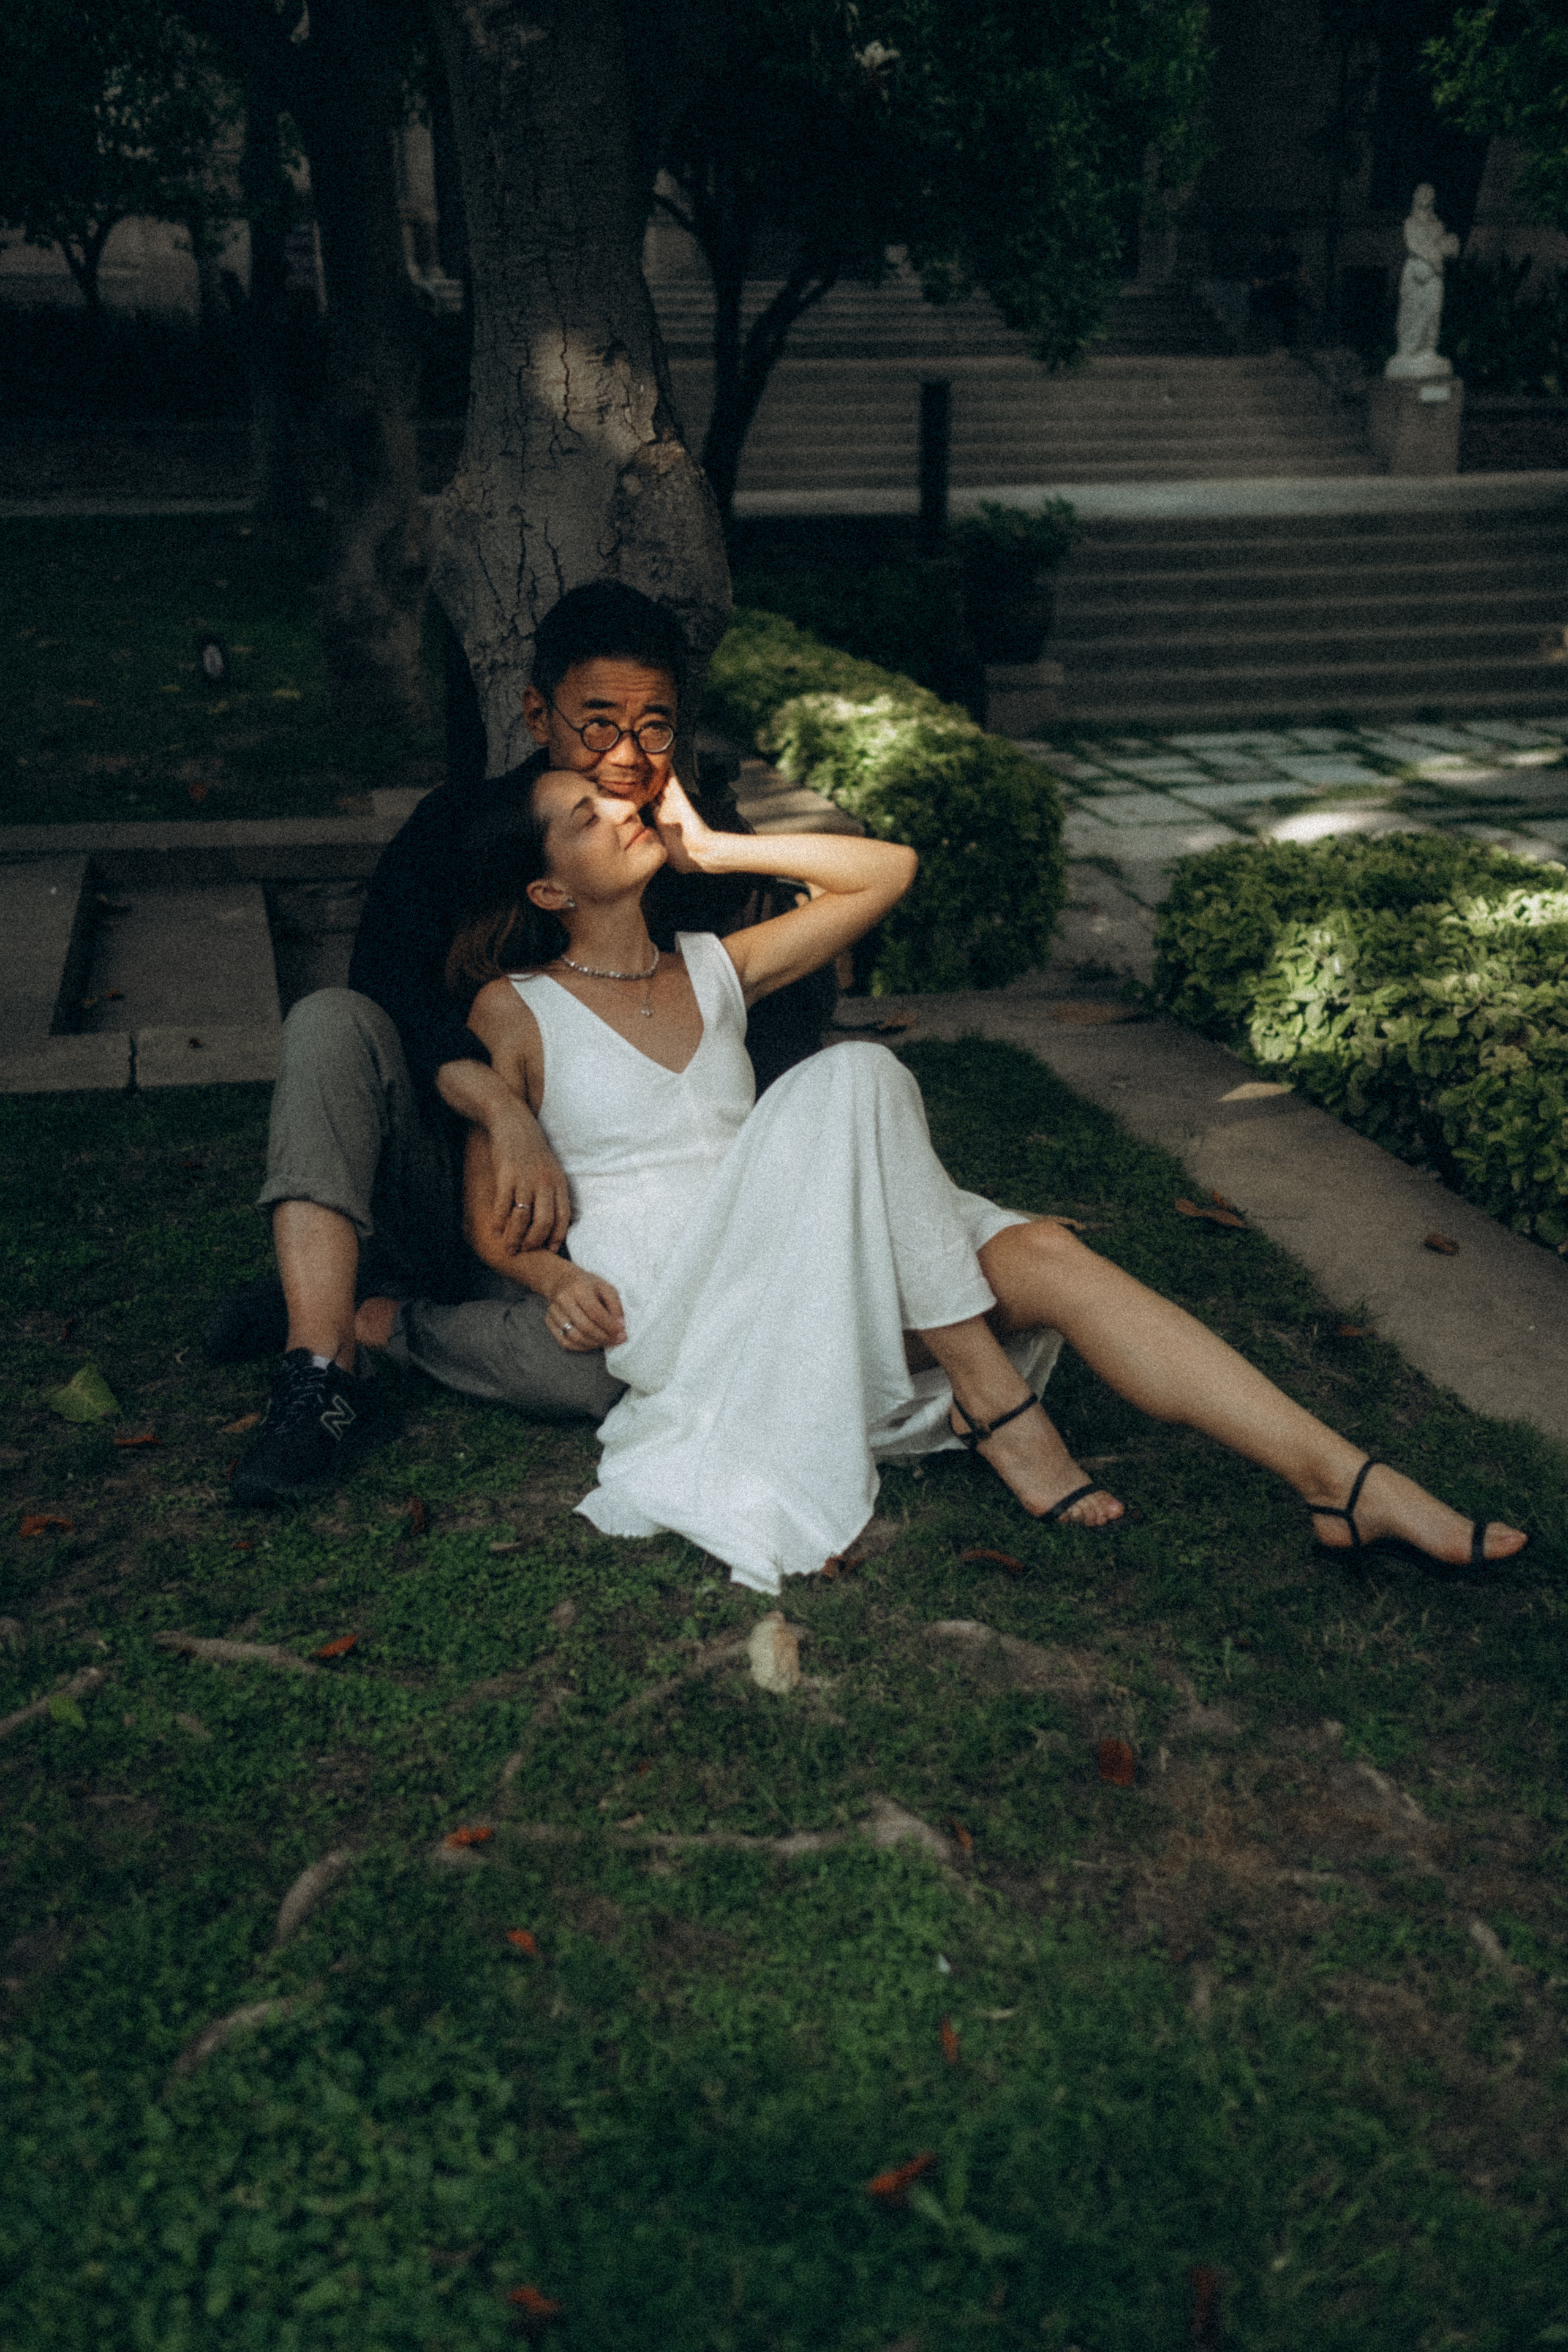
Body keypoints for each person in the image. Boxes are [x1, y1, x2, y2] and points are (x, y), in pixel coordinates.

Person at [360, 760, 1526, 1594]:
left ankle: (1340, 1478)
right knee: (851, 1076)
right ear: (550, 888)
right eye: (584, 813)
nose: (622, 804)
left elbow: (886, 872)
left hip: (811, 1242)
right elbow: (491, 1225)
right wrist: (553, 1274)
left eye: (615, 796)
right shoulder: (517, 1010)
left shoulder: (718, 967)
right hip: (685, 1307)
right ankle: (999, 1406)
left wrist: (720, 850)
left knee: (1051, 1259)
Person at [214, 583, 829, 1507]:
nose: (624, 760)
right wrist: (503, 1110)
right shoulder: (459, 832)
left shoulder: (699, 864)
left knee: (603, 1376)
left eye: (653, 728)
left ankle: (384, 1317)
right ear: (538, 712)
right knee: (328, 1025)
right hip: (450, 1182)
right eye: (596, 725)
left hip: (619, 1238)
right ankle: (319, 1365)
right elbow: (391, 994)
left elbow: (781, 1047)